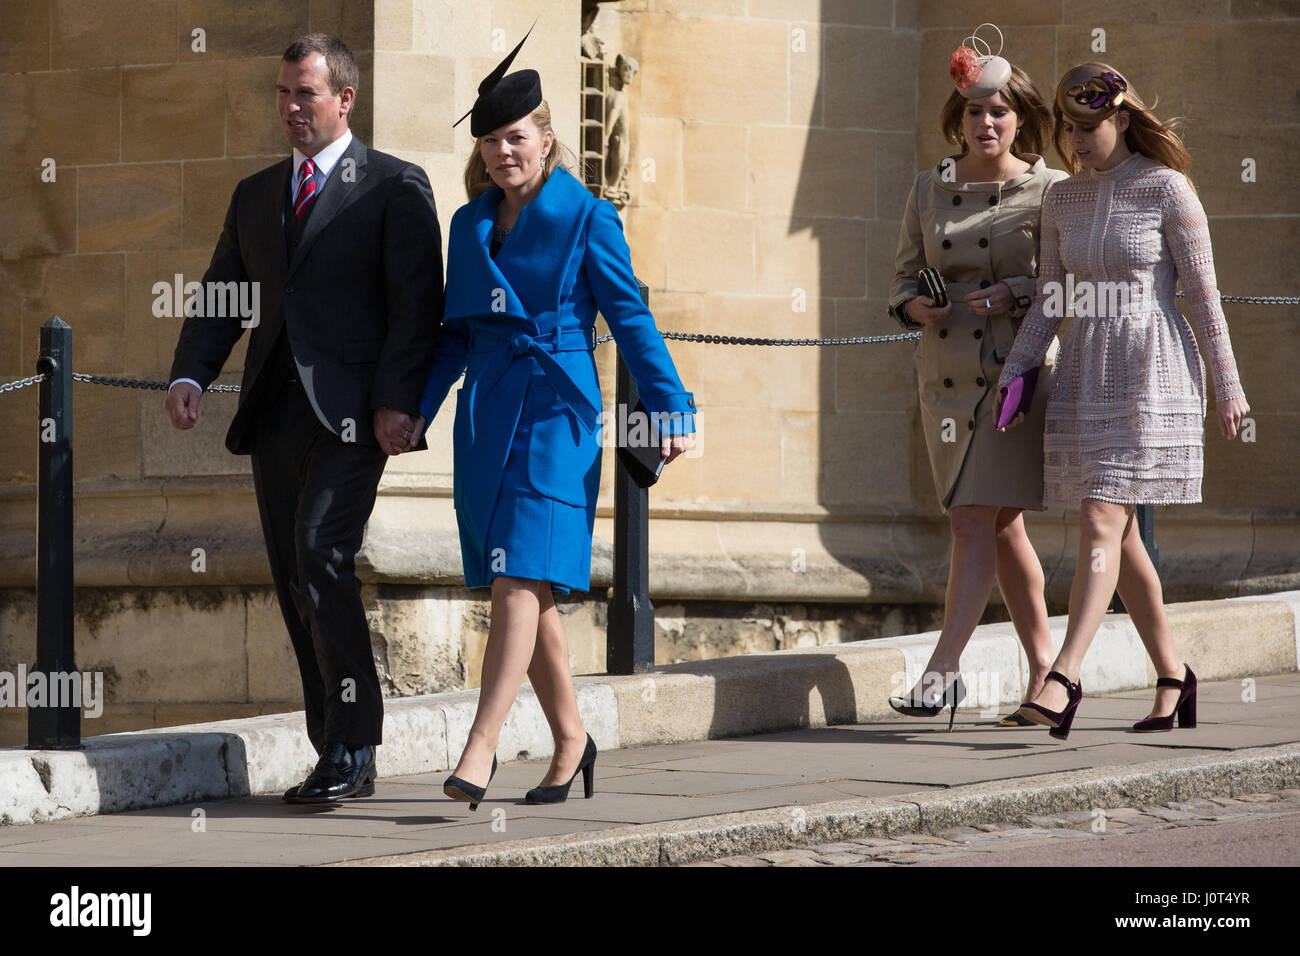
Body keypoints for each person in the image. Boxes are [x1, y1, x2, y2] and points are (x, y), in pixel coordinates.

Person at [413, 34, 695, 808]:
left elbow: (631, 317)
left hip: (558, 413)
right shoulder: (469, 225)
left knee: (515, 580)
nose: (505, 152)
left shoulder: (587, 216)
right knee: (524, 586)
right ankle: (572, 739)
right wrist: (416, 410)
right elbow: (455, 333)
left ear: (546, 139)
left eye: (517, 138)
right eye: (492, 141)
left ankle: (483, 744)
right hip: (486, 417)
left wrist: (673, 404)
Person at [165, 34, 444, 801]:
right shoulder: (256, 194)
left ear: (344, 99)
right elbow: (225, 291)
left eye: (306, 94)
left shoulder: (394, 184)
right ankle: (335, 748)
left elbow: (416, 307)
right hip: (276, 414)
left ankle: (355, 746)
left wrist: (399, 402)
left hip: (356, 418)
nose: (290, 107)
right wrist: (192, 371)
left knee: (321, 554)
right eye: (283, 93)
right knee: (294, 575)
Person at [997, 63, 1249, 738]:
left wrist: (1228, 383)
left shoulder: (1169, 189)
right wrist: (1017, 370)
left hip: (1152, 369)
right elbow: (1052, 298)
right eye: (1069, 130)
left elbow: (1203, 296)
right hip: (1084, 367)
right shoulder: (1061, 201)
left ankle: (1064, 674)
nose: (1076, 143)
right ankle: (1174, 676)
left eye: (1089, 129)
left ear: (1122, 120)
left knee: (1102, 516)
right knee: (1122, 530)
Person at [887, 25, 1062, 727]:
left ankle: (943, 672)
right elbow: (900, 272)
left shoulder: (1052, 190)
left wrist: (1017, 292)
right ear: (957, 119)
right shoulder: (930, 187)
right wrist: (912, 304)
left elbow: (1070, 284)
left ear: (1020, 118)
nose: (985, 123)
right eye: (973, 111)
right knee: (1003, 526)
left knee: (970, 520)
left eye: (998, 111)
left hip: (1016, 374)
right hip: (944, 377)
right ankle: (1047, 672)